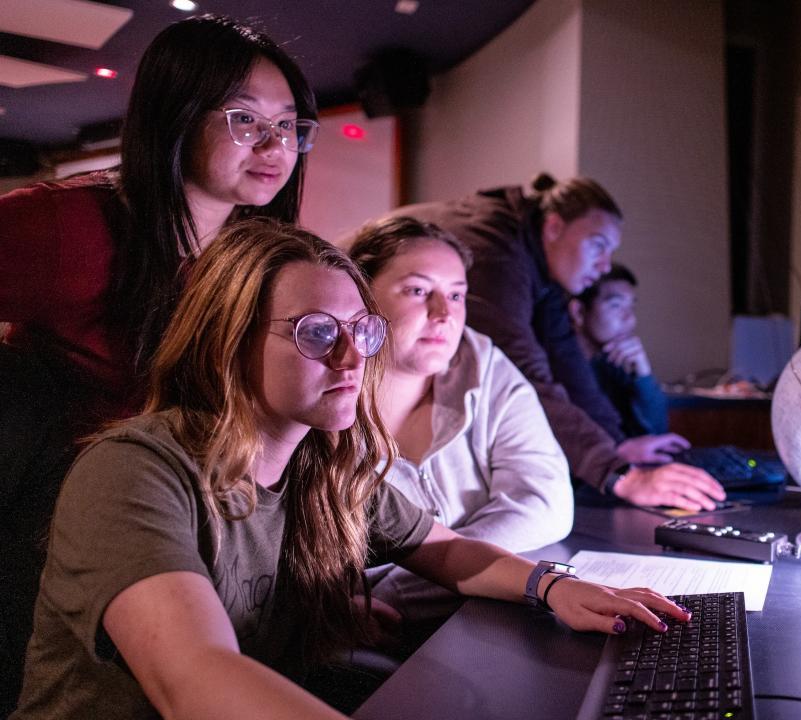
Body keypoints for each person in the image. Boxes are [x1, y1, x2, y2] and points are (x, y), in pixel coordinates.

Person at [13, 219, 687, 720]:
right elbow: (193, 680)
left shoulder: (324, 465)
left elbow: (444, 549)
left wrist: (553, 584)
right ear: (227, 342)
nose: (350, 358)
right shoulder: (135, 473)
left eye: (360, 332)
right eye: (315, 334)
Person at [0, 14, 319, 710]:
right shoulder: (70, 228)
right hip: (62, 527)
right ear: (177, 115)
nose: (275, 145)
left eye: (289, 126)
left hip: (190, 525)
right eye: (244, 119)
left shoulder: (257, 252)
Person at [378, 174, 726, 512]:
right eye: (598, 245)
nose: (605, 267)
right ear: (555, 226)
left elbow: (567, 362)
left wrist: (616, 451)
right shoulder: (498, 257)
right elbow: (528, 375)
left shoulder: (537, 267)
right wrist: (619, 474)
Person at [346, 216, 574, 636]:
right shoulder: (324, 392)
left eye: (456, 295)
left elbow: (546, 501)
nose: (444, 313)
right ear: (359, 296)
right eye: (418, 291)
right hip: (355, 641)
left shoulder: (481, 361)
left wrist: (399, 589)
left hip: (481, 621)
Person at [569, 264, 669, 438]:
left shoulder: (611, 366)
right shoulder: (559, 370)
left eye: (631, 307)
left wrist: (643, 375)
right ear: (578, 312)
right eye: (616, 305)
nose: (629, 318)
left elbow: (657, 430)